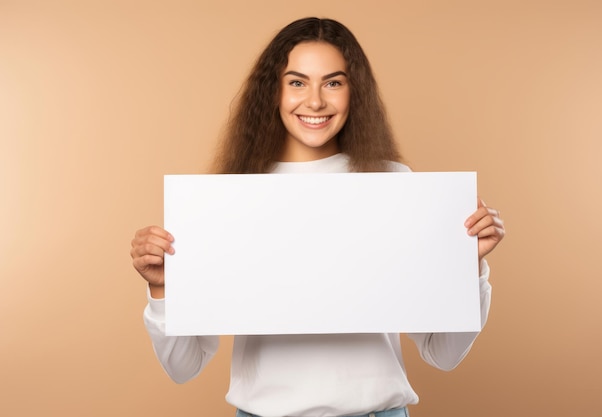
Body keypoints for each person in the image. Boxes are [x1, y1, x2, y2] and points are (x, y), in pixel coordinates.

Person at [130, 17, 505, 417]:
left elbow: (443, 353)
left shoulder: (393, 184)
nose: (314, 101)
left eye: (333, 82)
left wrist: (468, 265)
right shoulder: (229, 197)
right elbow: (183, 366)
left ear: (353, 91)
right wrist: (163, 289)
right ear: (273, 91)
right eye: (297, 82)